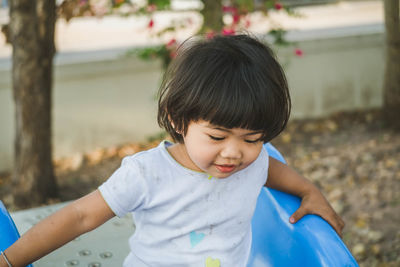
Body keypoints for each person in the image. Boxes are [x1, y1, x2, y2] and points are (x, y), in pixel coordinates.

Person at [0, 34, 344, 267]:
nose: (234, 153)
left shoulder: (254, 162)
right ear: (179, 120)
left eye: (252, 139)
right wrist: (10, 260)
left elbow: (275, 170)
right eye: (217, 136)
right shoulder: (147, 174)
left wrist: (310, 192)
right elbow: (80, 216)